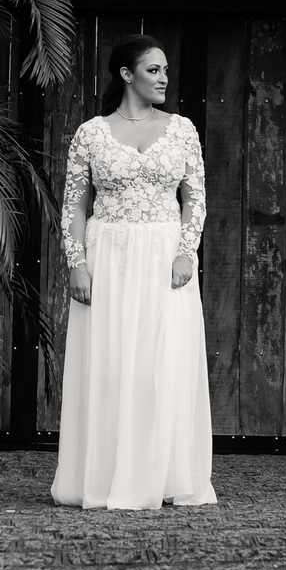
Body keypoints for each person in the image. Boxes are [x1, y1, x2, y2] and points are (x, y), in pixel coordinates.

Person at [50, 34, 218, 510]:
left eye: (165, 70)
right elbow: (74, 205)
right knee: (109, 366)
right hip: (109, 257)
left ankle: (160, 476)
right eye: (153, 70)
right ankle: (105, 478)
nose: (164, 78)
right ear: (126, 75)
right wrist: (77, 264)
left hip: (166, 257)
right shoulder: (91, 134)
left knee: (162, 366)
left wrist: (186, 252)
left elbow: (196, 198)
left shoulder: (182, 130)